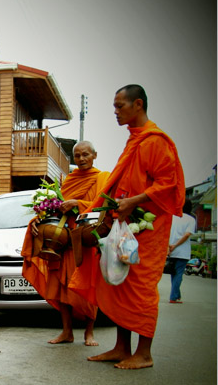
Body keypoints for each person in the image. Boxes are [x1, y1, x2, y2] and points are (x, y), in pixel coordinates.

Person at [71, 85, 185, 369]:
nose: (115, 112)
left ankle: (144, 353)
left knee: (141, 286)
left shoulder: (155, 141)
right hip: (123, 225)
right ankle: (122, 347)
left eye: (119, 106)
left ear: (138, 104)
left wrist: (134, 201)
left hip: (146, 228)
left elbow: (167, 183)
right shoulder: (134, 142)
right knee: (116, 281)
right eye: (114, 107)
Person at [21, 141, 110, 346]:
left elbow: (103, 207)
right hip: (64, 241)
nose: (81, 159)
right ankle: (67, 331)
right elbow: (54, 210)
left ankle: (89, 333)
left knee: (87, 287)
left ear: (94, 155)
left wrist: (78, 204)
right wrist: (37, 220)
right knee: (63, 287)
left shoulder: (102, 178)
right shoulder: (69, 180)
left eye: (85, 154)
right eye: (77, 156)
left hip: (86, 239)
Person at [167, 199, 195, 303]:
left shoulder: (172, 218)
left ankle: (176, 294)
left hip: (171, 250)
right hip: (182, 251)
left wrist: (170, 246)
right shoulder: (191, 219)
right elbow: (187, 234)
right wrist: (175, 245)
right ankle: (173, 297)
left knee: (173, 274)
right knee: (178, 274)